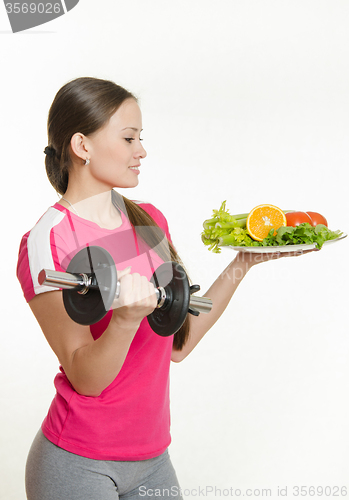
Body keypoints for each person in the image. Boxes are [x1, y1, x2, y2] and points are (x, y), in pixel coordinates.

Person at [17, 77, 310, 500]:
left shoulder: (148, 221)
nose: (142, 151)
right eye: (129, 138)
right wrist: (124, 318)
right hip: (78, 461)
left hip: (153, 458)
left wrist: (242, 264)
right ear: (82, 146)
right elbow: (86, 379)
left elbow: (177, 343)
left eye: (141, 138)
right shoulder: (47, 241)